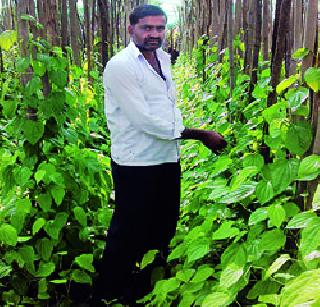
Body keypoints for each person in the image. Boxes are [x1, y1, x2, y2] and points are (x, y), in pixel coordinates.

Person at [91, 4, 226, 306]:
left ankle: (146, 286)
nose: (154, 34)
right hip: (136, 161)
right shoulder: (121, 66)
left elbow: (166, 108)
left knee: (164, 223)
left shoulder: (163, 59)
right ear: (131, 29)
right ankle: (109, 291)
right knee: (128, 228)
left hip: (166, 157)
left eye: (159, 28)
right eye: (146, 28)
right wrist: (200, 134)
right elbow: (144, 120)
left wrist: (182, 136)